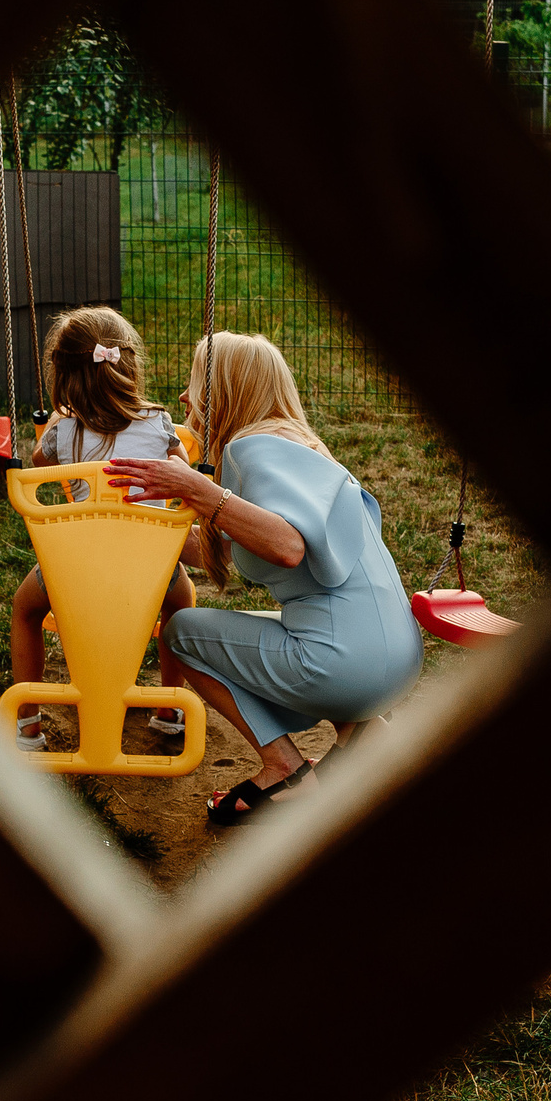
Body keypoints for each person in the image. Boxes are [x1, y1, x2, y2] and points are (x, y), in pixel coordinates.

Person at [103, 333, 423, 824]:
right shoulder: (300, 448)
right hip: (395, 658)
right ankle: (364, 735)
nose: (185, 398)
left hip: (344, 663)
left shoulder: (250, 448)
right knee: (245, 632)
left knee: (183, 634)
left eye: (194, 385)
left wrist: (200, 491)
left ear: (224, 390)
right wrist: (138, 529)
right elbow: (237, 545)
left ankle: (286, 772)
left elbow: (288, 546)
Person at [9, 307, 197, 752]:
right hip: (150, 568)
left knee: (25, 609)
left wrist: (59, 430)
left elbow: (40, 465)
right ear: (127, 365)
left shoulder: (63, 432)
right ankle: (169, 711)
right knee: (182, 601)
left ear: (63, 378)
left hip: (74, 571)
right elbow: (185, 472)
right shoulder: (160, 423)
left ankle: (28, 723)